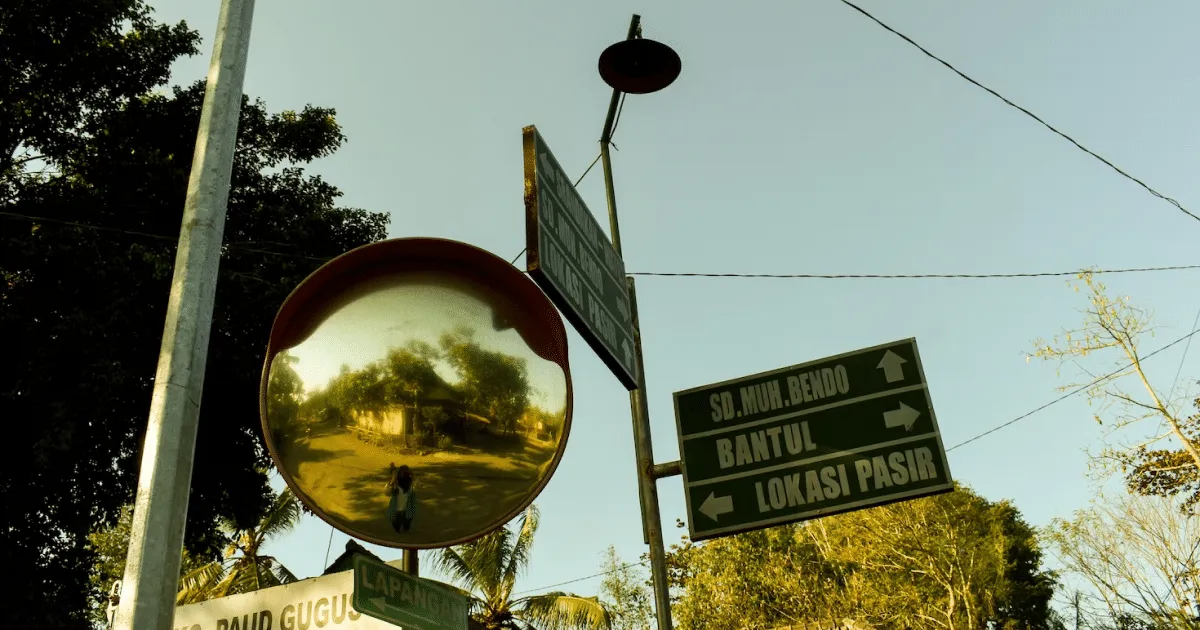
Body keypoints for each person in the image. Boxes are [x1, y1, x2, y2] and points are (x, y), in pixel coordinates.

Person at [385, 463, 417, 533]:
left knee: (399, 525)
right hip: (405, 511)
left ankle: (401, 529)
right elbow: (387, 492)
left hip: (401, 512)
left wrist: (392, 479)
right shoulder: (410, 487)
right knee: (403, 525)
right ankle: (403, 529)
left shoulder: (397, 487)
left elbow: (387, 493)